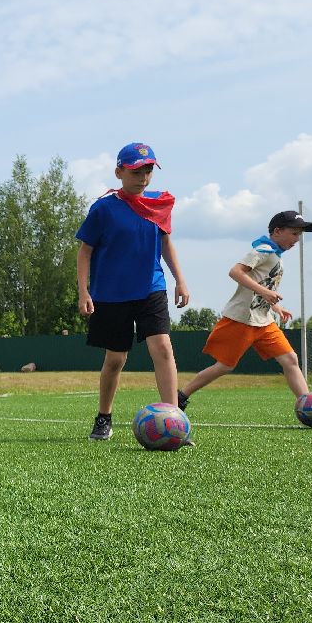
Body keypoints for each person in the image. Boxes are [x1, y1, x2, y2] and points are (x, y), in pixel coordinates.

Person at [178, 210, 312, 420]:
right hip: (241, 320)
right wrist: (266, 292)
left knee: (290, 359)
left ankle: (310, 407)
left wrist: (275, 307)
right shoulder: (263, 250)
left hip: (264, 322)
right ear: (277, 231)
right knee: (225, 366)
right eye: (294, 233)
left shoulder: (276, 255)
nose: (297, 239)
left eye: (299, 235)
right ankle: (181, 396)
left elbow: (262, 285)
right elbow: (235, 272)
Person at [75, 142, 191, 441]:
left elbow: (165, 244)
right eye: (137, 170)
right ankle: (104, 417)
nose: (143, 176)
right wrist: (84, 292)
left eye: (149, 170)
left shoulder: (159, 205)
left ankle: (174, 420)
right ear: (119, 172)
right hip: (111, 295)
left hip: (151, 288)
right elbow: (85, 251)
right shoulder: (104, 208)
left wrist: (180, 279)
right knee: (115, 360)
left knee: (163, 348)